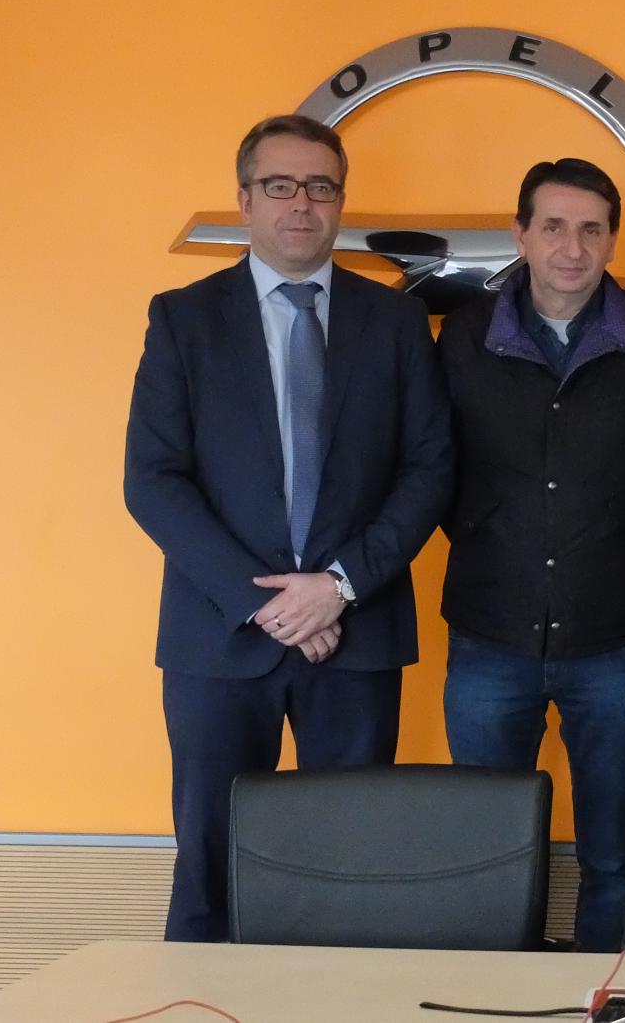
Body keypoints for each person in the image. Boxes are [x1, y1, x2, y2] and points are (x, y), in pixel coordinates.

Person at [124, 114, 453, 942]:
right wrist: (267, 602)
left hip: (357, 634)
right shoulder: (184, 320)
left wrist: (337, 588)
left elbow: (429, 470)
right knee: (209, 864)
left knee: (351, 866)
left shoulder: (396, 323)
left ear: (340, 201)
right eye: (280, 186)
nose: (301, 203)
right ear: (245, 200)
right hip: (219, 638)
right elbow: (152, 481)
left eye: (320, 186)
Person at [435, 158, 625, 952]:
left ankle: (601, 995)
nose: (571, 248)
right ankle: (497, 992)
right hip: (489, 633)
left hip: (616, 637)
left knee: (613, 855)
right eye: (553, 227)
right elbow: (429, 466)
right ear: (521, 234)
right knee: (490, 849)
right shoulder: (463, 337)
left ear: (612, 240)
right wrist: (485, 532)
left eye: (591, 230)